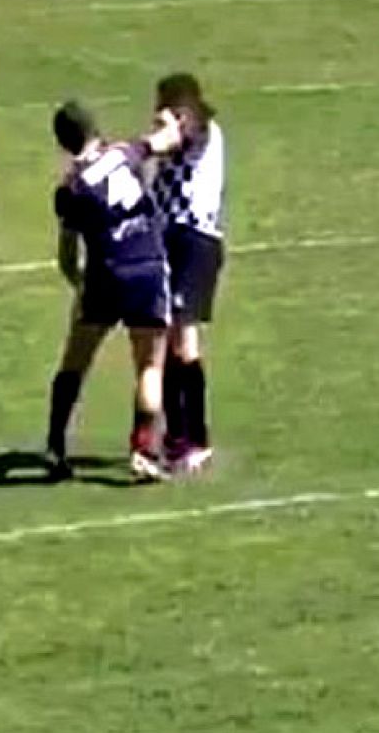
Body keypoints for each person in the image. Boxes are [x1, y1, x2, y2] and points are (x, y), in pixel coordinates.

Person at [45, 102, 181, 484]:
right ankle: (142, 451)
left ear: (63, 143)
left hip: (104, 273)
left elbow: (67, 255)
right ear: (95, 129)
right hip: (147, 267)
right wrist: (169, 120)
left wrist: (81, 286)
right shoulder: (124, 153)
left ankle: (56, 446)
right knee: (150, 366)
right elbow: (166, 140)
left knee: (75, 362)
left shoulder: (71, 188)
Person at [149, 73, 226, 474]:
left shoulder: (203, 131)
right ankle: (175, 434)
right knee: (164, 336)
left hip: (195, 240)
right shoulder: (175, 137)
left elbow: (180, 136)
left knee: (184, 336)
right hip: (167, 237)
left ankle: (196, 437)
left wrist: (160, 132)